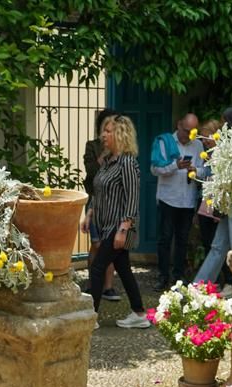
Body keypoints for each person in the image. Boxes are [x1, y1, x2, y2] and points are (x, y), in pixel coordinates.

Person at [86, 115, 149, 329]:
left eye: (109, 131)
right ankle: (139, 313)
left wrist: (123, 229)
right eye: (104, 130)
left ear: (121, 134)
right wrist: (90, 213)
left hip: (119, 226)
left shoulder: (128, 163)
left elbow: (132, 198)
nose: (103, 135)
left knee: (97, 267)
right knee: (124, 269)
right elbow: (98, 190)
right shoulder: (107, 162)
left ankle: (90, 317)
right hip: (105, 225)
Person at [193, 107, 232, 297]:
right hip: (231, 201)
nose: (221, 125)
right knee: (219, 247)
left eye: (224, 121)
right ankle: (198, 287)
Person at [150, 112, 205, 290]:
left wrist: (195, 169)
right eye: (186, 130)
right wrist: (175, 166)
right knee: (165, 239)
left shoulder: (198, 145)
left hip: (187, 200)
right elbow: (155, 169)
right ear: (179, 124)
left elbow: (205, 171)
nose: (188, 135)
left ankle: (178, 277)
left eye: (192, 132)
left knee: (182, 240)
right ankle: (163, 277)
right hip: (168, 198)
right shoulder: (165, 142)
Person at [81, 108, 120, 301]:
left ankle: (108, 287)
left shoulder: (122, 149)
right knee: (96, 244)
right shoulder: (92, 146)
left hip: (114, 203)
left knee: (110, 244)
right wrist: (104, 156)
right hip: (96, 199)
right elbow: (91, 172)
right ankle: (93, 284)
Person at [195, 118, 223, 258]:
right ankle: (214, 279)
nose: (204, 141)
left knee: (216, 242)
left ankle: (226, 277)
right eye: (203, 138)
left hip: (216, 204)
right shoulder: (208, 154)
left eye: (207, 137)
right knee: (207, 242)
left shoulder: (223, 155)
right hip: (206, 203)